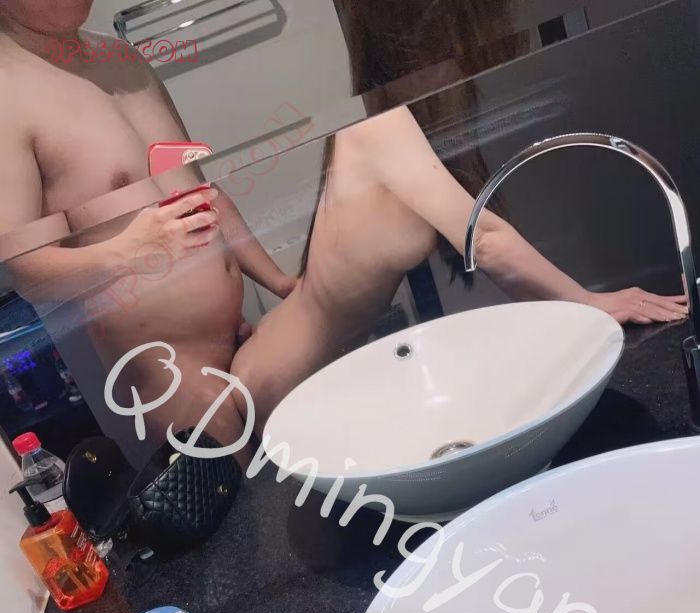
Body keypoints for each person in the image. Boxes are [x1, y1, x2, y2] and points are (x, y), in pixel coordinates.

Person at [231, 0, 687, 436]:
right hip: (274, 380)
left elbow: (486, 243)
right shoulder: (377, 129)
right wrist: (588, 303)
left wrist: (577, 311)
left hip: (311, 368)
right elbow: (483, 239)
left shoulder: (404, 120)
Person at [0, 0, 295, 459]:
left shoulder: (123, 58)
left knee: (323, 474)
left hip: (243, 335)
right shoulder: (7, 95)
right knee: (248, 501)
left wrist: (280, 282)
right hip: (166, 372)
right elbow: (26, 272)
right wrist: (129, 251)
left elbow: (201, 190)